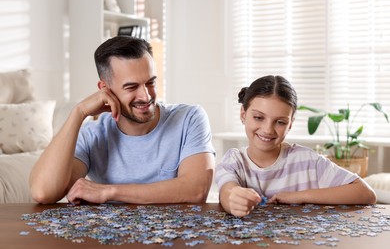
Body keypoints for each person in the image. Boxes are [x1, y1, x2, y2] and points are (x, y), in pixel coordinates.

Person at [30, 36, 215, 205]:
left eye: (151, 82)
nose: (146, 95)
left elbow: (196, 190)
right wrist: (78, 112)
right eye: (131, 87)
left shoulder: (190, 119)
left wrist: (109, 192)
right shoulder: (92, 135)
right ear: (105, 88)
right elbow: (42, 192)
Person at [215, 75, 376, 217]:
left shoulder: (307, 161)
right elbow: (227, 192)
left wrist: (298, 196)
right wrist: (233, 197)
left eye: (280, 122)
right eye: (258, 117)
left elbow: (366, 193)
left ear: (290, 124)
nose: (268, 129)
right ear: (243, 114)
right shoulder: (233, 161)